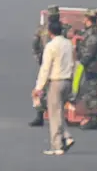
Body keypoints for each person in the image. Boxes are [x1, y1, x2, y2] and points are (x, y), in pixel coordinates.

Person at [33, 18, 76, 156]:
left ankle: (57, 145)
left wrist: (38, 87)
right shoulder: (69, 44)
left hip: (56, 81)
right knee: (59, 111)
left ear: (50, 32)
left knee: (54, 114)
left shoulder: (51, 46)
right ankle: (67, 137)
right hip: (68, 80)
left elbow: (45, 68)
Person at [30, 5, 71, 127]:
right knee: (41, 89)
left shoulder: (63, 28)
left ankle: (59, 116)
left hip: (58, 63)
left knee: (55, 91)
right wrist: (39, 58)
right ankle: (39, 114)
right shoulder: (42, 29)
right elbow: (35, 44)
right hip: (47, 60)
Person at [76, 10, 97, 129]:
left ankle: (93, 118)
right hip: (89, 66)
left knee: (91, 92)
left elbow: (89, 51)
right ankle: (89, 116)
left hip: (91, 66)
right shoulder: (89, 31)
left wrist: (82, 62)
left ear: (88, 18)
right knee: (88, 91)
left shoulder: (94, 32)